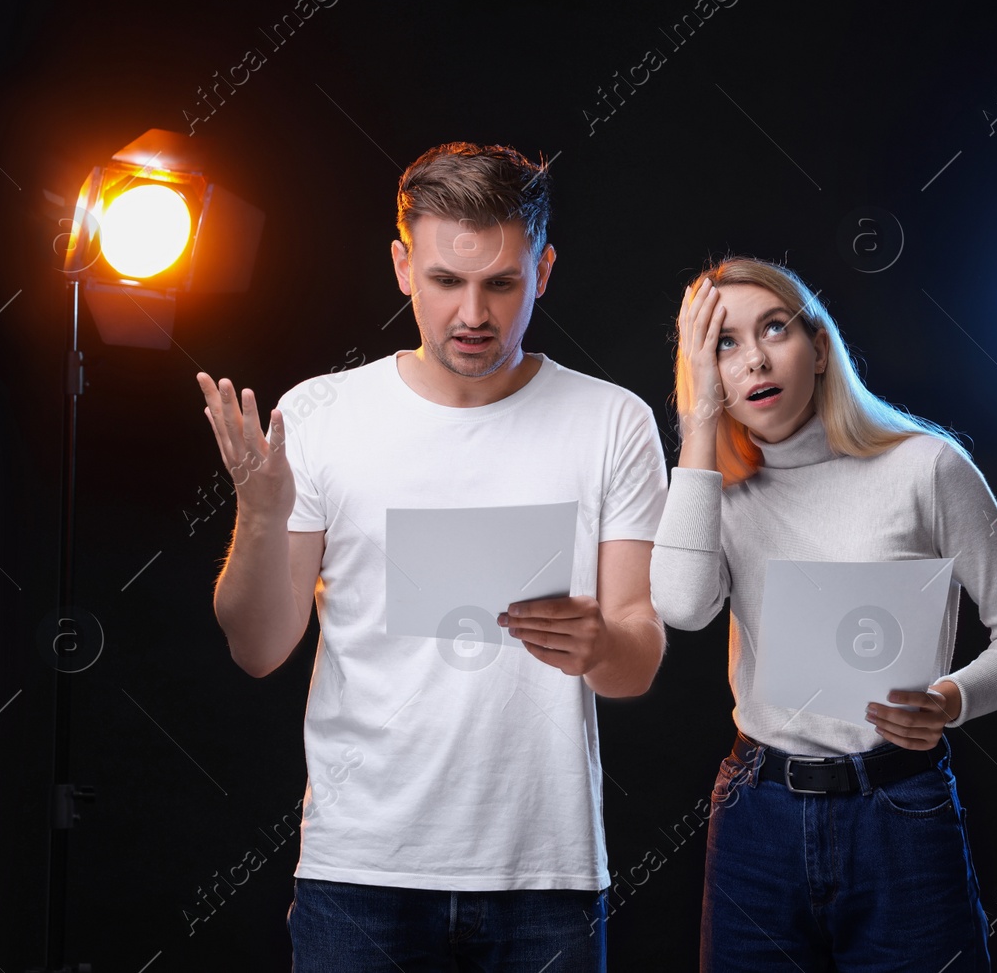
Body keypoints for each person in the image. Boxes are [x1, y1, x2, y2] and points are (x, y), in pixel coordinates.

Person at [195, 142, 669, 972]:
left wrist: (601, 643)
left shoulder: (612, 421)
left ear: (545, 270)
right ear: (402, 266)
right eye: (447, 281)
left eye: (502, 283)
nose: (473, 314)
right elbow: (257, 647)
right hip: (361, 872)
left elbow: (637, 659)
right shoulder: (321, 415)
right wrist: (261, 516)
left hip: (544, 875)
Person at [650, 256, 997, 972]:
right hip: (757, 811)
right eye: (723, 343)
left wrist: (950, 698)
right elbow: (684, 607)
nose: (754, 358)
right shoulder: (714, 492)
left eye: (774, 328)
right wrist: (698, 425)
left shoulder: (927, 467)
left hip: (899, 808)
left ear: (817, 345)